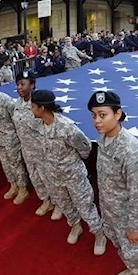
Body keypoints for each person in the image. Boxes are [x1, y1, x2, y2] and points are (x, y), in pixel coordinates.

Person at [87, 91, 138, 275]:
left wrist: (133, 226)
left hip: (128, 216)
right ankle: (133, 268)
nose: (97, 121)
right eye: (94, 115)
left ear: (117, 114)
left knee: (135, 250)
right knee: (120, 246)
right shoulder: (104, 139)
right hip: (110, 210)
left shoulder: (130, 150)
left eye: (103, 115)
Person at [31, 90, 106, 254]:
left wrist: (72, 164)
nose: (31, 109)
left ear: (42, 108)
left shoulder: (66, 127)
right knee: (65, 204)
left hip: (74, 177)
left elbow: (85, 147)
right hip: (54, 176)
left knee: (85, 206)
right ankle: (75, 225)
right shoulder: (40, 125)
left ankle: (99, 234)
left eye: (33, 106)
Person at [12, 71, 55, 217]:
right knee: (35, 176)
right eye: (17, 84)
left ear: (32, 85)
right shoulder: (17, 103)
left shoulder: (40, 104)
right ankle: (45, 201)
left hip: (42, 149)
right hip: (27, 148)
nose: (19, 87)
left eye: (23, 84)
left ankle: (58, 203)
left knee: (48, 176)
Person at [0, 74, 29, 205]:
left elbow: (16, 121)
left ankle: (23, 188)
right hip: (0, 139)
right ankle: (13, 184)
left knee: (16, 164)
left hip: (11, 139)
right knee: (6, 164)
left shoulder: (6, 101)